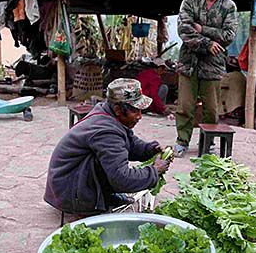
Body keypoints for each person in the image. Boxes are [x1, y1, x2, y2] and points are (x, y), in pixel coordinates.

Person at [44, 78, 171, 216]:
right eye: (135, 111)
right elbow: (122, 179)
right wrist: (155, 171)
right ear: (118, 109)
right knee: (114, 167)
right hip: (68, 192)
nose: (139, 116)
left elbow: (130, 143)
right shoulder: (105, 131)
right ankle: (89, 204)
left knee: (111, 160)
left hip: (68, 182)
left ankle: (104, 196)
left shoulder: (106, 111)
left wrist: (150, 149)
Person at [175, 0, 237, 157]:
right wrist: (208, 44)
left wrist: (202, 29)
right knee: (185, 106)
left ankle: (208, 142)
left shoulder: (229, 6)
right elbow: (184, 30)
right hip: (188, 63)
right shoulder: (190, 1)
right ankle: (182, 141)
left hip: (213, 65)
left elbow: (228, 35)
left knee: (211, 108)